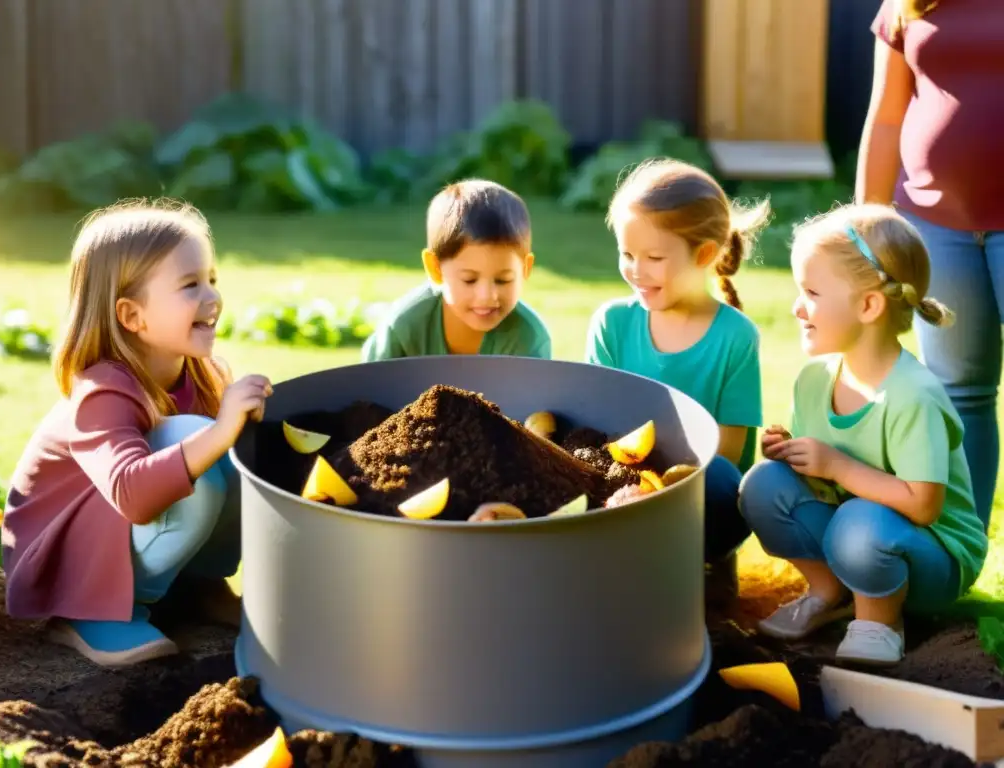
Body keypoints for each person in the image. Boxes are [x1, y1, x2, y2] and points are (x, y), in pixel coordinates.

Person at [1, 199, 272, 667]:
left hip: (123, 534)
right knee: (200, 438)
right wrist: (219, 430)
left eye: (212, 279)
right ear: (131, 316)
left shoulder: (201, 374)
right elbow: (132, 493)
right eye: (190, 285)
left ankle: (200, 582)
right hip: (71, 560)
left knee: (236, 451)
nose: (212, 297)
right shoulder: (102, 392)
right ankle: (95, 613)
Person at [739, 204, 988, 665]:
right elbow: (826, 480)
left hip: (933, 557)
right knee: (763, 486)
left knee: (859, 524)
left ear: (869, 305)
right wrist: (791, 452)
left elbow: (923, 503)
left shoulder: (912, 395)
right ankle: (829, 591)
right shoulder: (814, 381)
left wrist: (835, 464)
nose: (797, 306)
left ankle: (880, 621)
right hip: (858, 536)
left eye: (811, 292)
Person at [584, 158, 770, 601]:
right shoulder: (612, 323)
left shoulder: (734, 336)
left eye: (653, 258)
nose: (635, 270)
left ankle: (709, 560)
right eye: (627, 255)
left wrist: (662, 489)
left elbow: (726, 451)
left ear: (704, 255)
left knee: (724, 481)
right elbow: (596, 419)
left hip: (700, 490)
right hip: (620, 476)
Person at [855, 0, 1004, 531]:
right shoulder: (908, 3)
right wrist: (866, 228)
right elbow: (887, 116)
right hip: (934, 226)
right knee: (961, 390)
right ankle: (964, 549)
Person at [361, 179, 552, 360]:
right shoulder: (404, 326)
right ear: (435, 269)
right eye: (469, 280)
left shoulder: (529, 338)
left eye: (503, 280)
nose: (487, 296)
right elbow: (371, 386)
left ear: (525, 269)